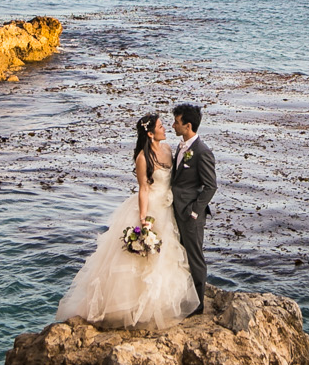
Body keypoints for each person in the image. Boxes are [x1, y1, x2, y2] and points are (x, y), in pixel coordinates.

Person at [55, 111, 200, 329]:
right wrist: (143, 219)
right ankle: (132, 306)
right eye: (161, 126)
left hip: (168, 206)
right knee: (142, 258)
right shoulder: (143, 158)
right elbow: (143, 188)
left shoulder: (169, 149)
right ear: (150, 134)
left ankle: (160, 304)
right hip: (151, 207)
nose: (165, 128)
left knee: (166, 256)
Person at [169, 102, 217, 315]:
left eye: (177, 122)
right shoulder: (181, 147)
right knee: (179, 255)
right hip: (176, 210)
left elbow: (211, 186)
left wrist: (195, 211)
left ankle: (198, 305)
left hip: (190, 215)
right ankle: (183, 297)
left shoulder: (201, 151)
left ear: (188, 126)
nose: (173, 125)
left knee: (195, 257)